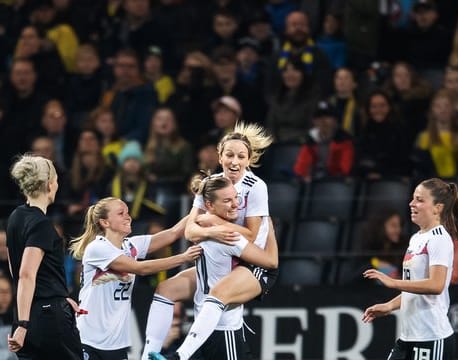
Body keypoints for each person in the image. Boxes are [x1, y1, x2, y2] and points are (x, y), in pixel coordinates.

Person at [141, 122, 274, 359]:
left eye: (241, 156)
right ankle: (148, 355)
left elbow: (252, 235)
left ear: (249, 159)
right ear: (219, 156)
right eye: (229, 155)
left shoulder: (256, 187)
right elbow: (190, 232)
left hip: (251, 262)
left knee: (217, 295)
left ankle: (179, 356)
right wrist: (212, 230)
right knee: (165, 289)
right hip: (224, 253)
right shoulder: (211, 186)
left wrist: (214, 224)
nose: (235, 161)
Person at [362, 177, 458, 359]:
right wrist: (389, 306)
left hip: (431, 337)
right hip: (408, 336)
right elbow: (415, 288)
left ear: (438, 208)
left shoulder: (439, 239)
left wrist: (393, 282)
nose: (412, 203)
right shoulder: (416, 238)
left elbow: (436, 285)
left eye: (420, 200)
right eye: (413, 198)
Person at [69, 197, 202, 360]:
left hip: (116, 343)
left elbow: (173, 233)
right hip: (89, 339)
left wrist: (200, 204)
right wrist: (183, 258)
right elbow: (141, 268)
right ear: (105, 222)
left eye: (127, 212)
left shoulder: (130, 246)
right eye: (121, 213)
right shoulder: (98, 248)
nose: (128, 217)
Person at [6, 154, 82, 358]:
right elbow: (26, 274)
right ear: (49, 185)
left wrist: (61, 294)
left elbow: (16, 269)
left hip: (26, 313)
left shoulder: (16, 217)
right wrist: (23, 324)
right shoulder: (42, 225)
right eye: (56, 180)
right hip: (47, 318)